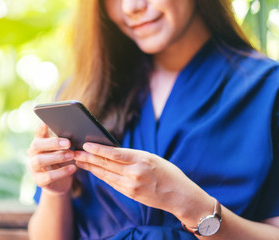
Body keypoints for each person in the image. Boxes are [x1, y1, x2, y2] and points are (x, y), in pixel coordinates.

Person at [27, 0, 279, 239]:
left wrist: (190, 204)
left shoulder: (268, 90)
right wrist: (54, 191)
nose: (131, 8)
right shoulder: (86, 91)